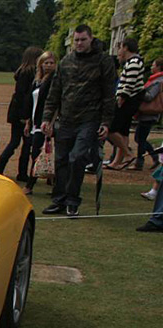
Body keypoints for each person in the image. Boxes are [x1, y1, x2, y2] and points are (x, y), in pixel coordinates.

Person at [40, 24, 116, 217]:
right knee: (61, 160)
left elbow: (109, 94)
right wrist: (47, 118)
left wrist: (106, 122)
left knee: (77, 157)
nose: (79, 43)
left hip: (89, 119)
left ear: (91, 39)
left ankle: (72, 201)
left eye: (83, 40)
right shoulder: (66, 62)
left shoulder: (103, 61)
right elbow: (55, 92)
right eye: (77, 40)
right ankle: (59, 200)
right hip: (66, 119)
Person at [0, 46, 40, 181]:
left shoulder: (22, 72)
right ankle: (16, 171)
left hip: (18, 112)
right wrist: (25, 116)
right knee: (21, 143)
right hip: (22, 113)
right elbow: (24, 96)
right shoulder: (29, 73)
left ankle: (5, 169)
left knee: (18, 142)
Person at [104, 38, 145, 170]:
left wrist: (122, 97)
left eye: (121, 47)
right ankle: (117, 161)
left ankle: (127, 154)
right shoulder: (133, 62)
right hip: (130, 99)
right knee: (123, 131)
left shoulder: (133, 62)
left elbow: (129, 83)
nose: (119, 51)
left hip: (128, 99)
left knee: (112, 129)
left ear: (126, 47)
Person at [24, 51, 58, 194]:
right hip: (35, 121)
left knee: (37, 154)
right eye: (46, 62)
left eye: (51, 63)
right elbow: (31, 102)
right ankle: (53, 182)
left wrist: (50, 121)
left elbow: (54, 102)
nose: (48, 65)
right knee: (39, 152)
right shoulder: (37, 80)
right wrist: (27, 122)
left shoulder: (54, 80)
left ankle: (29, 185)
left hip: (45, 122)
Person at [133, 57, 162, 171]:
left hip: (149, 113)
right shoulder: (156, 80)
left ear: (159, 67)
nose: (151, 67)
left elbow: (150, 97)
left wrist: (139, 91)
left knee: (140, 138)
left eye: (153, 65)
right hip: (148, 114)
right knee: (140, 138)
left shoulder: (158, 81)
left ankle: (141, 161)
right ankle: (153, 156)